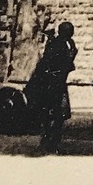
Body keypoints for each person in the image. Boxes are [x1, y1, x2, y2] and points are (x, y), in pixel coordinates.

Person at [27, 21, 77, 152]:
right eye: (69, 30)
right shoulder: (55, 44)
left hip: (60, 81)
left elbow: (71, 57)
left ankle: (55, 139)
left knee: (60, 112)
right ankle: (47, 138)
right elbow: (46, 62)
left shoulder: (70, 43)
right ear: (63, 31)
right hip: (51, 82)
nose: (72, 32)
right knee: (50, 111)